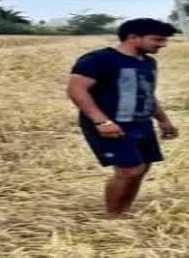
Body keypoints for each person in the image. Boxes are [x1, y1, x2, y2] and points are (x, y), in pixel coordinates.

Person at [67, 18, 179, 219]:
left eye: (164, 40)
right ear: (132, 37)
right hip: (110, 124)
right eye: (157, 39)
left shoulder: (149, 62)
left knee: (141, 169)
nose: (163, 44)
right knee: (129, 171)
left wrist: (163, 120)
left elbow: (147, 94)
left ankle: (124, 212)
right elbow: (76, 89)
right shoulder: (99, 59)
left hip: (141, 123)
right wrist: (101, 121)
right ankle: (112, 218)